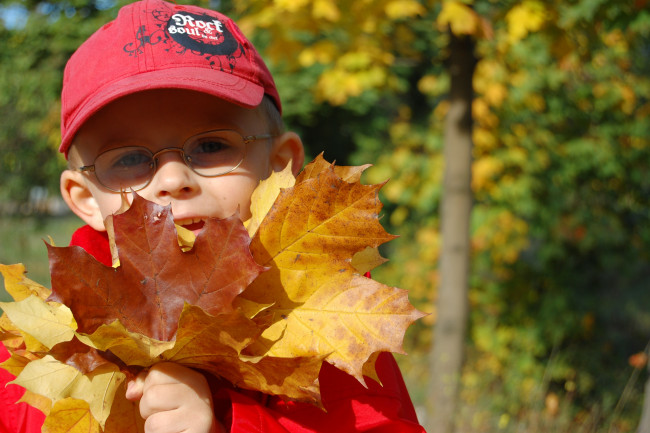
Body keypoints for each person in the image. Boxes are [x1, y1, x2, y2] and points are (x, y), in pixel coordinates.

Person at [0, 1, 425, 432]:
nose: (173, 178)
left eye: (211, 147)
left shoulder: (322, 315)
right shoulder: (42, 348)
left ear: (280, 168)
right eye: (129, 157)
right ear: (85, 197)